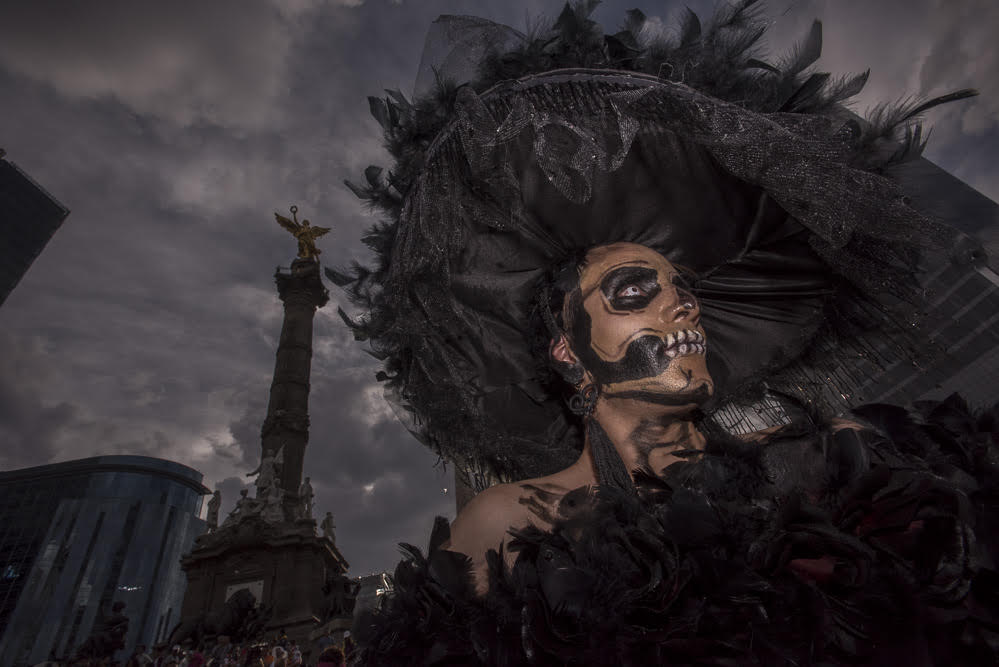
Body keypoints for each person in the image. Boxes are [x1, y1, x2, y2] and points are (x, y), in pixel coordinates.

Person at [337, 3, 997, 665]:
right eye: (633, 292)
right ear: (569, 351)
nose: (683, 306)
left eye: (684, 289)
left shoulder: (825, 458)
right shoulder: (509, 522)